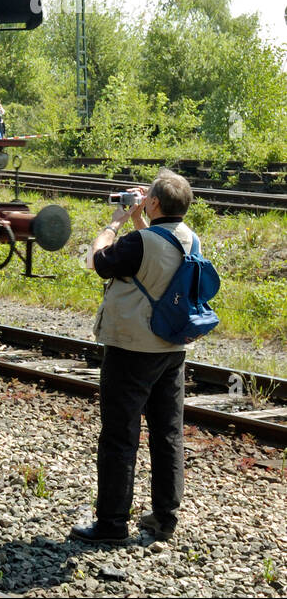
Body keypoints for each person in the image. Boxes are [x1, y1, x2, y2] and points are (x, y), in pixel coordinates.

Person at [73, 170, 197, 544]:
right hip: (172, 350)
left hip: (131, 349)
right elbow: (156, 250)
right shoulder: (191, 239)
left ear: (154, 202)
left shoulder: (138, 242)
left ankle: (111, 525)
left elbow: (97, 261)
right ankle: (164, 518)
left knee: (119, 437)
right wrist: (141, 217)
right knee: (167, 433)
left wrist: (114, 223)